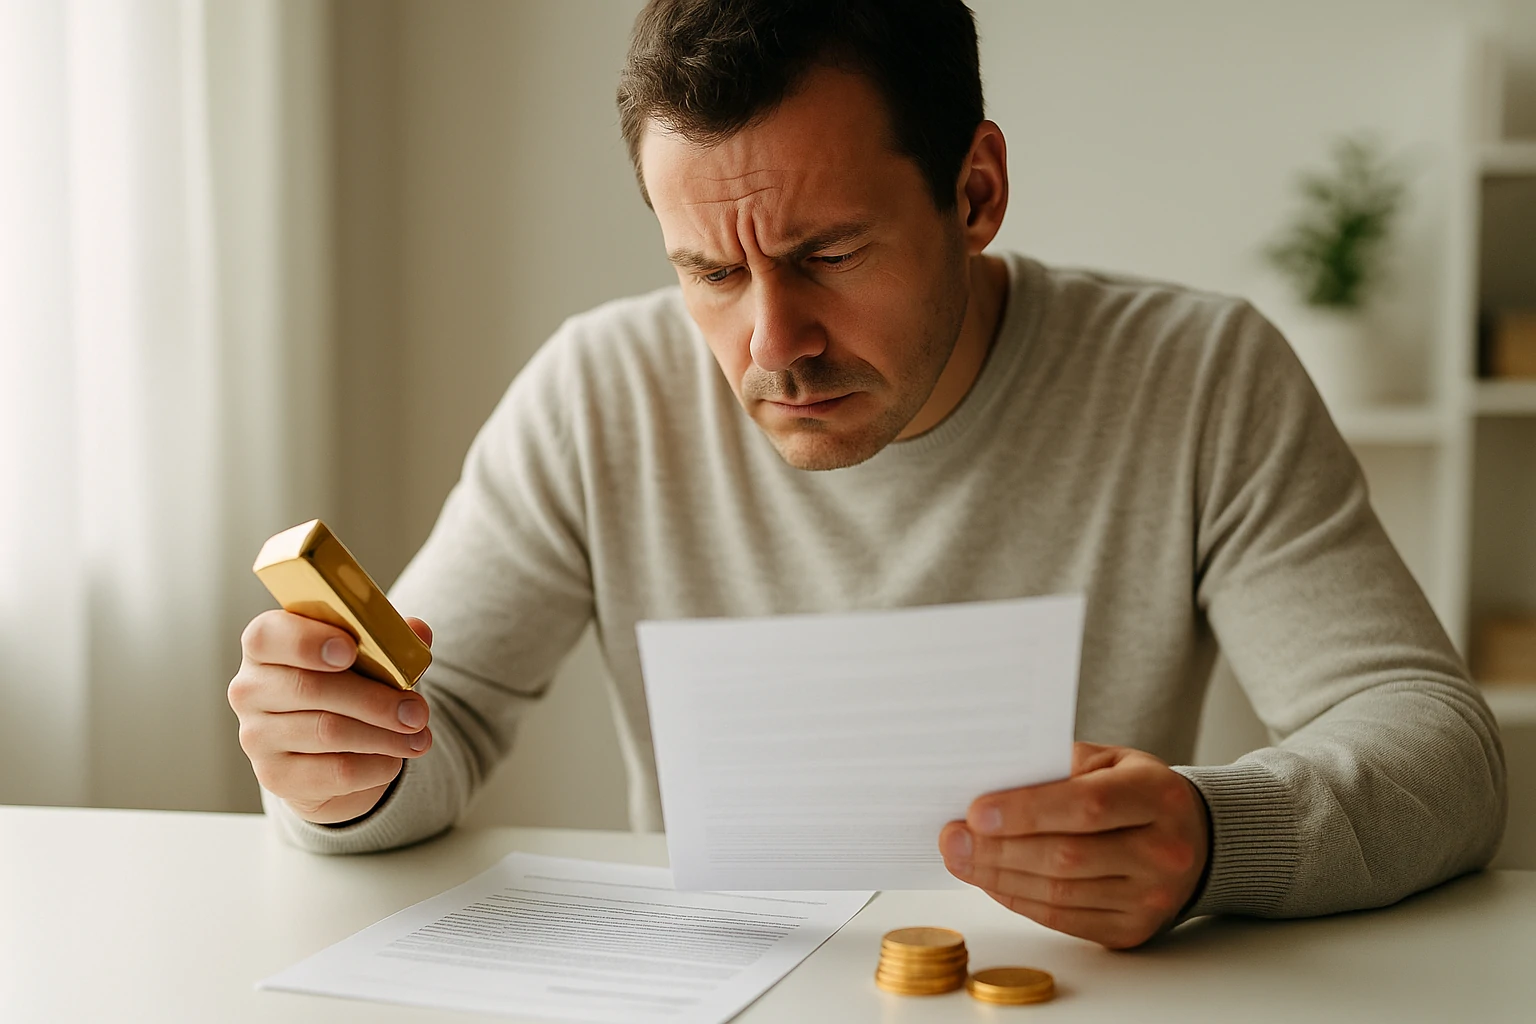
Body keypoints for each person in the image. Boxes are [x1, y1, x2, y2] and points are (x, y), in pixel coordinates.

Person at [226, 0, 1505, 950]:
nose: (772, 346)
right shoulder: (595, 390)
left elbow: (1441, 754)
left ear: (977, 190)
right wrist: (343, 766)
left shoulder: (1199, 375)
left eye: (829, 252)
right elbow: (429, 732)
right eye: (711, 274)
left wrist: (1218, 835)